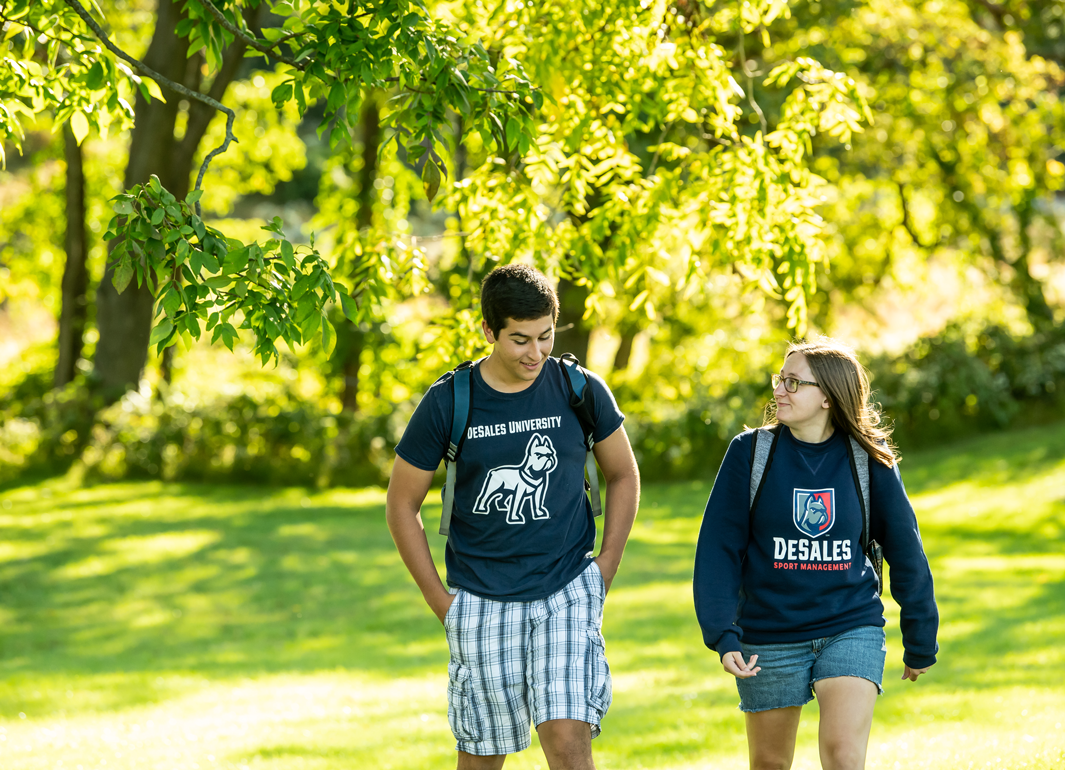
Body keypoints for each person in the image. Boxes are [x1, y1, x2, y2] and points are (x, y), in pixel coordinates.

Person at [386, 264, 640, 770]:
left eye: (545, 336)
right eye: (520, 340)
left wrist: (604, 569)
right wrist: (443, 604)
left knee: (569, 744)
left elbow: (623, 475)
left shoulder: (578, 388)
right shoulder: (449, 402)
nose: (536, 353)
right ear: (489, 331)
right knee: (482, 757)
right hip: (481, 598)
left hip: (567, 589)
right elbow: (401, 505)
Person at [693, 337, 939, 770]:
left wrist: (920, 637)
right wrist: (721, 632)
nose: (779, 390)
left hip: (850, 624)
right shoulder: (749, 453)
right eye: (779, 379)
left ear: (827, 397)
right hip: (768, 633)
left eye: (793, 382)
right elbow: (718, 549)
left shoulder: (868, 460)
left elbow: (906, 550)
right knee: (770, 763)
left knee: (844, 757)